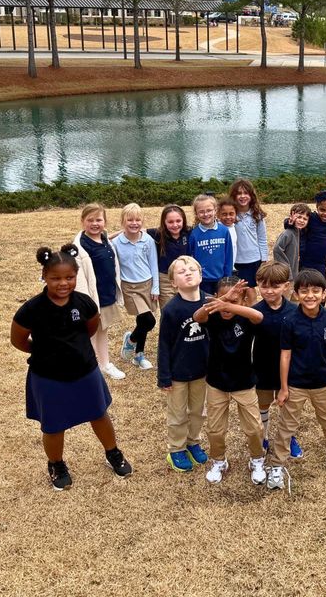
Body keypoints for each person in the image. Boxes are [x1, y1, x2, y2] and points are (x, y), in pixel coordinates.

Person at [11, 245, 132, 490]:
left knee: (98, 414)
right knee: (53, 425)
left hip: (85, 370)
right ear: (44, 276)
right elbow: (18, 340)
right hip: (48, 376)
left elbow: (90, 328)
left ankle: (113, 452)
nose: (63, 283)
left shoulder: (85, 303)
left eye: (69, 277)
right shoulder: (31, 310)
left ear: (76, 276)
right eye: (55, 278)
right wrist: (43, 351)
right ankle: (56, 463)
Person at [266, 269, 326, 491]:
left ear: (325, 294)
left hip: (323, 383)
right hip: (296, 385)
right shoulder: (289, 321)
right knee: (286, 426)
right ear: (296, 294)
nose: (310, 296)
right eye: (305, 291)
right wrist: (283, 387)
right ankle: (277, 465)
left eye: (316, 291)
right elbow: (285, 355)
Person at [193, 277, 267, 485]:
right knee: (215, 429)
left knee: (253, 428)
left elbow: (259, 316)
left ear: (243, 302)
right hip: (216, 382)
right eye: (223, 300)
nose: (227, 307)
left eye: (235, 302)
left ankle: (257, 459)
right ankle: (218, 461)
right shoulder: (213, 316)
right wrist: (222, 301)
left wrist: (230, 304)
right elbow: (197, 317)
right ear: (216, 297)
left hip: (244, 382)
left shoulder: (246, 319)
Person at [157, 256, 210, 473]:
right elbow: (164, 345)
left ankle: (193, 442)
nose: (187, 273)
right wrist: (164, 376)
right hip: (178, 373)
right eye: (181, 271)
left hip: (202, 371)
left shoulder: (210, 302)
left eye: (192, 269)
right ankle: (176, 449)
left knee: (199, 411)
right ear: (173, 283)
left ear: (201, 274)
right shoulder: (172, 309)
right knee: (178, 414)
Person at [249, 261, 303, 459]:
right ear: (258, 285)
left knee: (289, 407)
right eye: (264, 286)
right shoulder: (254, 312)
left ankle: (289, 437)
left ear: (286, 286)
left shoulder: (295, 311)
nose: (269, 291)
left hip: (289, 370)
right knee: (262, 405)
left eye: (275, 286)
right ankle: (263, 436)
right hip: (262, 368)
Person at [72, 202, 126, 381]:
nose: (95, 224)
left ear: (105, 221)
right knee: (89, 334)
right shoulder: (79, 247)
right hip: (92, 299)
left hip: (107, 295)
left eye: (99, 220)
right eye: (90, 220)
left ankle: (105, 364)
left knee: (103, 331)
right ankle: (87, 366)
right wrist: (86, 303)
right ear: (82, 221)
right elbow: (79, 277)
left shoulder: (104, 239)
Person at [111, 203, 159, 371]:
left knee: (142, 321)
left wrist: (156, 288)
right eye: (129, 220)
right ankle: (131, 340)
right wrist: (114, 235)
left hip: (147, 284)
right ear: (123, 221)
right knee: (149, 320)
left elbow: (154, 264)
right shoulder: (116, 242)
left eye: (138, 220)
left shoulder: (148, 240)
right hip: (129, 287)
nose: (134, 223)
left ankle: (139, 355)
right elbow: (101, 241)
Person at [188, 194, 234, 296]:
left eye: (209, 210)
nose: (206, 214)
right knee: (206, 307)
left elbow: (228, 255)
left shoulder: (224, 231)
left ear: (215, 210)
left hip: (221, 278)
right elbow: (190, 258)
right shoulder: (194, 234)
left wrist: (227, 277)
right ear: (196, 213)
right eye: (201, 211)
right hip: (202, 280)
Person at [229, 178, 269, 291]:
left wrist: (264, 260)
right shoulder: (229, 216)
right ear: (233, 196)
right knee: (237, 292)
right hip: (236, 260)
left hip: (253, 259)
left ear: (251, 195)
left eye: (246, 193)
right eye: (239, 193)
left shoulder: (257, 215)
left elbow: (262, 238)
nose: (243, 196)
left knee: (251, 291)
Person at [148, 204, 191, 308]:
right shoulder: (157, 234)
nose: (175, 225)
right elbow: (136, 231)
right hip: (165, 280)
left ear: (183, 220)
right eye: (170, 222)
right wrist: (109, 237)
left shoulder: (189, 232)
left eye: (178, 221)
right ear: (164, 222)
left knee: (185, 309)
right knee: (168, 310)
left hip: (184, 276)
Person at [299, 192, 326, 277]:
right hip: (306, 261)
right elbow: (296, 220)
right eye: (322, 210)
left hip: (322, 263)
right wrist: (289, 222)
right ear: (317, 207)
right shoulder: (311, 218)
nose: (325, 214)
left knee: (320, 286)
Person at [273, 203, 308, 281]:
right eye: (299, 217)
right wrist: (286, 271)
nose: (302, 220)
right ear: (291, 217)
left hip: (296, 275)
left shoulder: (301, 232)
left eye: (305, 219)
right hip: (287, 276)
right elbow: (277, 250)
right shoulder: (288, 233)